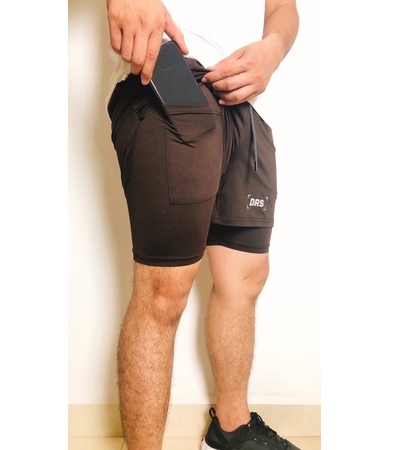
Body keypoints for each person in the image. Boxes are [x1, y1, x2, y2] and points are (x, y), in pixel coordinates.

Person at [105, 0, 300, 449]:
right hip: (170, 71)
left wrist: (272, 50)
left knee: (245, 278)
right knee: (164, 293)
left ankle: (232, 430)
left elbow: (283, 8)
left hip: (248, 105)